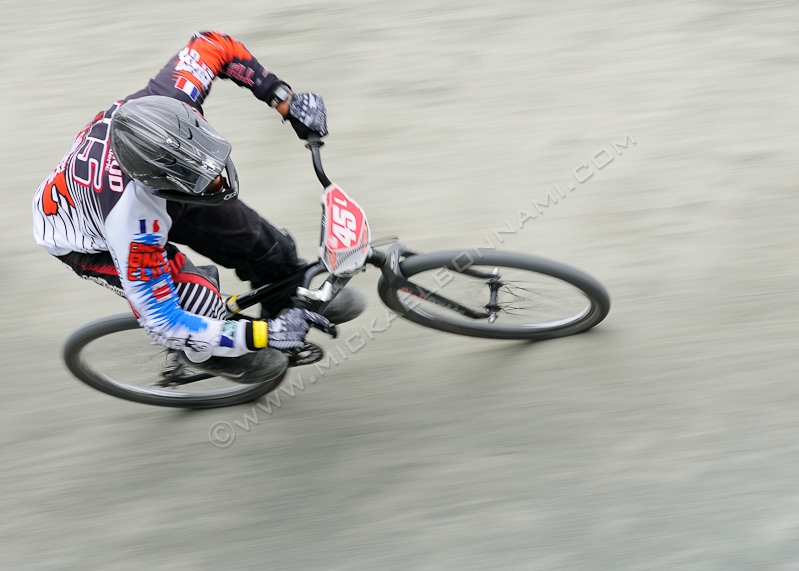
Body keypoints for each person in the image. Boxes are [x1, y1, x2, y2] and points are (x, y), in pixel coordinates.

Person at [33, 31, 365, 384]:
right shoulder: (133, 226)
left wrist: (282, 97)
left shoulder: (171, 97)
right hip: (92, 236)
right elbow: (165, 323)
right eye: (203, 182)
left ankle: (284, 291)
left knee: (265, 245)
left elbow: (215, 45)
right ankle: (210, 357)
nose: (220, 183)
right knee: (199, 299)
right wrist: (264, 335)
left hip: (160, 185)